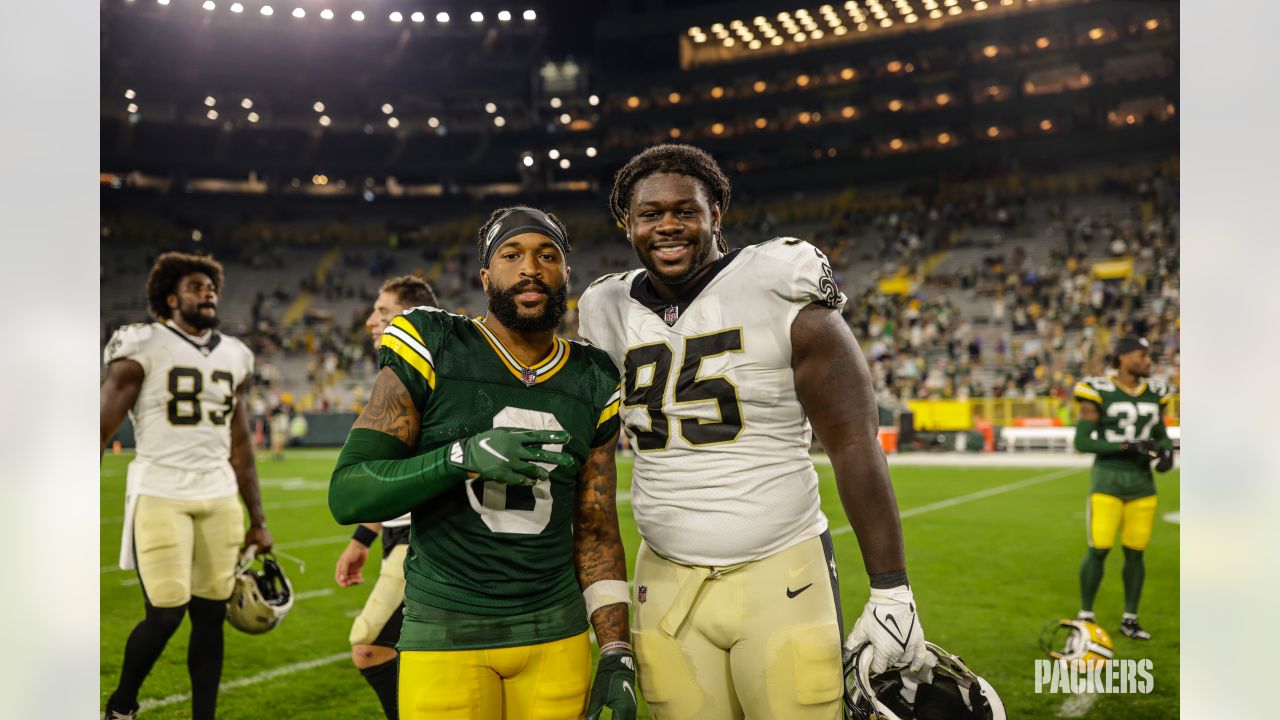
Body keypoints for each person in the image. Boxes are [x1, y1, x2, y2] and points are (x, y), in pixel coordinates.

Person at [576, 144, 929, 720]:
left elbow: (853, 440)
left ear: (717, 212)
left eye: (685, 210)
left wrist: (892, 588)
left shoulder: (776, 280)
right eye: (649, 213)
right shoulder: (604, 306)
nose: (668, 225)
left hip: (780, 572)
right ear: (627, 223)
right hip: (664, 579)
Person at [328, 207, 637, 720]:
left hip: (556, 633)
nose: (530, 268)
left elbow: (598, 528)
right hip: (447, 630)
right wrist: (459, 458)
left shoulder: (593, 376)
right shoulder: (437, 342)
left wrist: (615, 648)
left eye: (548, 255)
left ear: (566, 275)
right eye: (511, 255)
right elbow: (349, 492)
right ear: (486, 276)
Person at [100, 252, 272, 720]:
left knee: (211, 616)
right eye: (197, 286)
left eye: (211, 286)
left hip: (218, 495)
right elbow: (98, 428)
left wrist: (258, 520)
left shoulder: (235, 353)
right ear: (171, 298)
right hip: (160, 491)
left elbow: (240, 444)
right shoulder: (142, 344)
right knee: (166, 611)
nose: (208, 293)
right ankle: (121, 704)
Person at [333, 275, 440, 720]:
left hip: (425, 539)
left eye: (382, 311)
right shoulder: (396, 372)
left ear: (410, 316)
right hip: (396, 536)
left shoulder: (433, 374)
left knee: (369, 644)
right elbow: (386, 473)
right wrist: (362, 539)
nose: (370, 321)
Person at [1072, 336, 1175, 641]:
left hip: (1143, 485)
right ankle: (1086, 615)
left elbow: (1159, 431)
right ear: (1124, 357)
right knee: (1099, 549)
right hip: (1108, 482)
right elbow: (1083, 441)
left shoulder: (1156, 392)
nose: (1148, 361)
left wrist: (1167, 451)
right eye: (1142, 355)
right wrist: (1125, 445)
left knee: (1136, 552)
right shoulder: (1097, 390)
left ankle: (1130, 618)